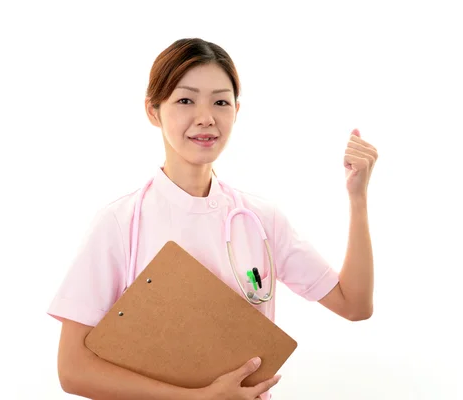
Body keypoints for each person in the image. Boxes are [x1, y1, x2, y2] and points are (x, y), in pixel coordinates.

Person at [47, 37, 378, 400]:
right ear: (153, 110)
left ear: (236, 110)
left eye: (220, 102)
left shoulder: (260, 220)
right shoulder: (120, 223)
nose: (206, 118)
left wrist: (357, 197)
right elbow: (73, 370)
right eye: (185, 100)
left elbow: (354, 304)